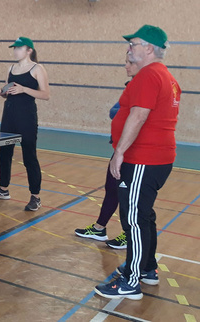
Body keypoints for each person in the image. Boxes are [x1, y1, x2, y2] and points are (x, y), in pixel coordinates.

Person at [95, 25, 180, 300]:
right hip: (156, 159)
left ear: (149, 48)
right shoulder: (166, 76)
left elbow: (138, 115)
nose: (129, 49)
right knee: (144, 215)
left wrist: (119, 152)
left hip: (144, 158)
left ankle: (131, 280)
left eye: (133, 44)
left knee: (133, 218)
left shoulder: (149, 75)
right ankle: (147, 269)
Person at [75, 53, 140, 249]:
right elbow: (116, 111)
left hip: (134, 151)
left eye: (129, 63)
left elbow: (121, 113)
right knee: (112, 186)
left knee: (129, 195)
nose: (126, 66)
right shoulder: (131, 86)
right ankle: (99, 228)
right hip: (121, 148)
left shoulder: (142, 87)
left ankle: (130, 235)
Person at [0, 37, 50, 211]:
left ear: (29, 50)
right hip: (9, 115)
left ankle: (35, 196)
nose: (15, 51)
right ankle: (3, 189)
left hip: (26, 117)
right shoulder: (11, 68)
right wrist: (2, 92)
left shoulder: (38, 68)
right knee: (4, 154)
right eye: (14, 48)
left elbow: (45, 94)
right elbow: (9, 92)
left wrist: (24, 89)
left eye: (19, 48)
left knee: (29, 156)